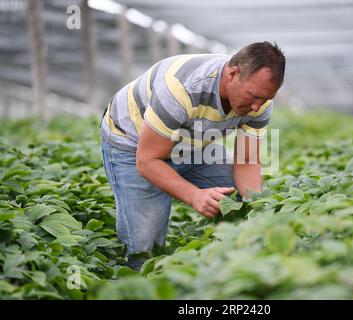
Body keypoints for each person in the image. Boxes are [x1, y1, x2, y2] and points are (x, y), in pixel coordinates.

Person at [100, 41, 286, 270]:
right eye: (253, 96)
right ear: (233, 74)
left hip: (190, 144)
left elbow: (247, 161)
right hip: (133, 143)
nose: (257, 107)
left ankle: (236, 262)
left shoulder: (260, 101)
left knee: (240, 202)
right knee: (144, 250)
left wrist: (256, 209)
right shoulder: (181, 89)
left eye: (265, 98)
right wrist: (194, 196)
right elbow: (147, 160)